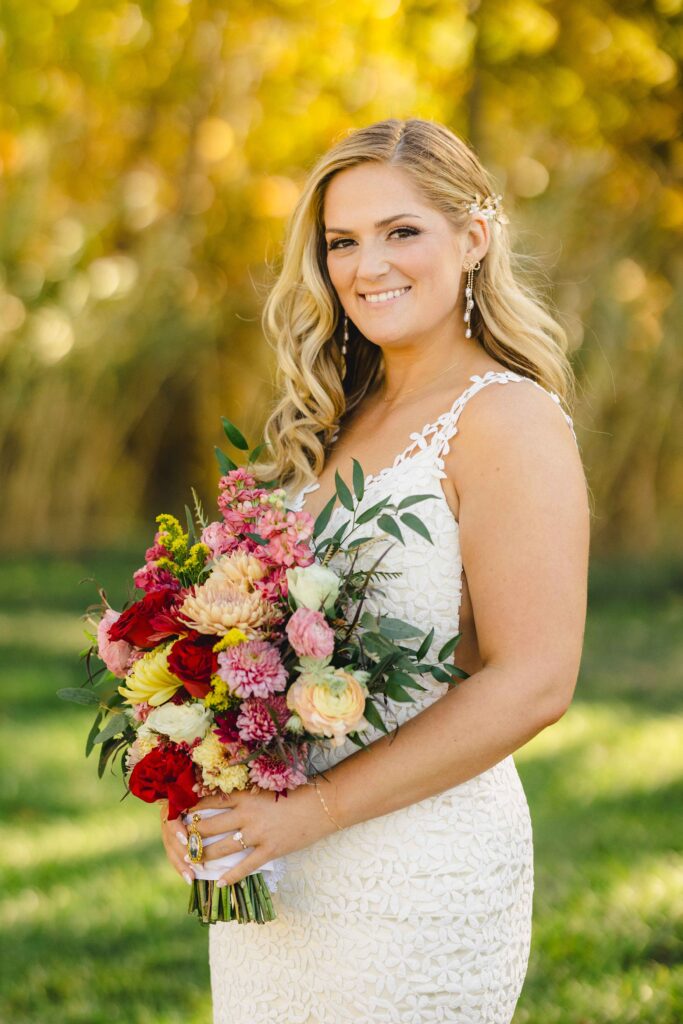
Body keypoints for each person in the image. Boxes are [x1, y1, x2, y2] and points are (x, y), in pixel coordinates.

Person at [160, 117, 590, 1023]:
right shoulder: (329, 421)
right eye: (342, 242)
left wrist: (306, 814)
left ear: (471, 238)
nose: (368, 266)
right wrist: (208, 782)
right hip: (278, 879)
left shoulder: (507, 420)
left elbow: (534, 681)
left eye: (402, 232)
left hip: (416, 873)